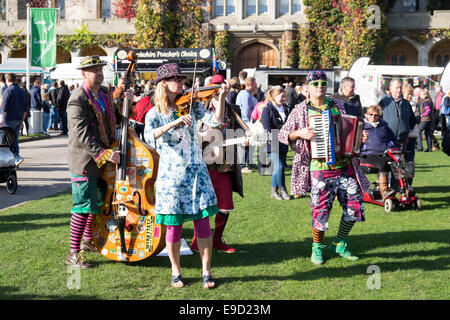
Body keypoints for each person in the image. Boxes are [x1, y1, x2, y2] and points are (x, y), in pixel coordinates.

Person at [144, 63, 229, 289]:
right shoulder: (154, 113)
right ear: (164, 84)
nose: (183, 83)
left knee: (203, 224)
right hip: (172, 178)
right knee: (173, 227)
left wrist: (220, 99)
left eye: (182, 79)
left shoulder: (191, 105)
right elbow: (149, 136)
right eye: (177, 80)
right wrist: (175, 122)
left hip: (196, 175)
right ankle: (176, 271)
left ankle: (206, 271)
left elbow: (216, 121)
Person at [278, 70, 369, 265]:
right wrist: (300, 133)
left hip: (344, 165)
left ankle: (339, 241)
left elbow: (350, 129)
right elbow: (282, 134)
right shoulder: (300, 109)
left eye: (323, 83)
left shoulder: (337, 105)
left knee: (354, 206)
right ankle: (317, 248)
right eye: (316, 83)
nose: (320, 87)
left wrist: (360, 138)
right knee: (321, 211)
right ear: (307, 88)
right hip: (318, 167)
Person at [65, 56, 121, 269]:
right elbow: (82, 134)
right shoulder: (77, 99)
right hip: (84, 162)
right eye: (93, 69)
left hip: (101, 160)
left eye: (100, 69)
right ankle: (72, 254)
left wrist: (127, 107)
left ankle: (88, 241)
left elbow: (113, 117)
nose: (99, 72)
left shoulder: (105, 93)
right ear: (83, 74)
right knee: (82, 207)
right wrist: (105, 154)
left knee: (96, 204)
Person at [191, 74, 245, 254]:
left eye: (220, 86)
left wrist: (244, 139)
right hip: (203, 161)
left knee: (225, 204)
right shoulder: (198, 107)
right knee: (202, 203)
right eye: (214, 87)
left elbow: (239, 131)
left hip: (224, 162)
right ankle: (197, 240)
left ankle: (216, 239)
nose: (217, 90)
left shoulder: (233, 108)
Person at [379, 79, 416, 191]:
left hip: (402, 140)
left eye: (400, 87)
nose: (398, 90)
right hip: (388, 140)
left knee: (403, 165)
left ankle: (404, 187)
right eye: (396, 87)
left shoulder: (406, 103)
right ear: (390, 89)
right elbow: (377, 119)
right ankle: (390, 189)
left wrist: (407, 130)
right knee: (390, 165)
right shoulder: (383, 102)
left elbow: (412, 120)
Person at [360, 105, 397, 200]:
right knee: (382, 163)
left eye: (376, 115)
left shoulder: (384, 126)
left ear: (379, 116)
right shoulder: (362, 126)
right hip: (366, 155)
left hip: (384, 154)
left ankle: (403, 189)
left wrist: (390, 146)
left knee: (398, 163)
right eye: (370, 114)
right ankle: (384, 190)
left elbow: (392, 139)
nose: (373, 117)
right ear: (366, 115)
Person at [261, 87, 292, 200]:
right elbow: (267, 127)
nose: (283, 98)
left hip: (284, 142)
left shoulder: (286, 108)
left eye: (284, 96)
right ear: (274, 96)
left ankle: (274, 190)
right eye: (281, 96)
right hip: (271, 142)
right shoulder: (267, 109)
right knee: (278, 167)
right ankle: (283, 190)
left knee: (280, 168)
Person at [1, 73, 27, 166]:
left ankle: (15, 158)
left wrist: (2, 120)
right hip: (19, 118)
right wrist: (22, 120)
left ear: (7, 80)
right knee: (15, 139)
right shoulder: (22, 91)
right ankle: (16, 160)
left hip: (10, 119)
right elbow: (25, 109)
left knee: (8, 141)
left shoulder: (8, 91)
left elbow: (4, 107)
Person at [236, 77, 258, 172]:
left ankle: (250, 162)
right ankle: (241, 165)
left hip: (247, 123)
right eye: (255, 84)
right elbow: (245, 112)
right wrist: (247, 126)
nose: (256, 85)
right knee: (243, 143)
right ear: (250, 84)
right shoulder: (245, 95)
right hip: (244, 123)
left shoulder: (247, 94)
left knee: (250, 143)